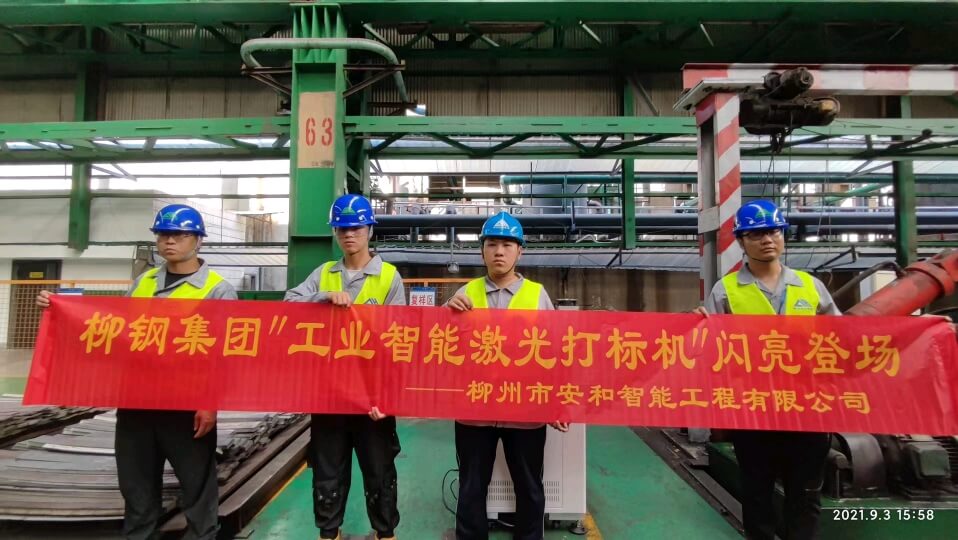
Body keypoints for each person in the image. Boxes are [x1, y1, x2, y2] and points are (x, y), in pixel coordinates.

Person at [37, 203, 236, 540]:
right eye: (163, 235)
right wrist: (58, 309)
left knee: (197, 489)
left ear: (198, 240)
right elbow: (117, 329)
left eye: (179, 235)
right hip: (136, 401)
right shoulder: (143, 282)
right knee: (137, 488)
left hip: (185, 405)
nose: (169, 241)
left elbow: (223, 355)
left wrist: (210, 402)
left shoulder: (218, 289)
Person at [696, 200, 840, 540]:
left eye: (774, 231)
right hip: (754, 410)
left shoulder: (810, 286)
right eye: (756, 234)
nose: (767, 240)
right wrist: (697, 328)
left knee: (805, 496)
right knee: (757, 494)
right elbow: (710, 351)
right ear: (741, 241)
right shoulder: (726, 291)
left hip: (807, 409)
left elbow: (844, 339)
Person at [285, 194, 404, 540]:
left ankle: (385, 534)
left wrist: (388, 397)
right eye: (342, 228)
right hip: (330, 396)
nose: (349, 234)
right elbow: (289, 304)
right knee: (327, 473)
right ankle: (329, 533)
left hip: (371, 400)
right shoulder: (324, 274)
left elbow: (399, 341)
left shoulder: (388, 277)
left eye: (356, 228)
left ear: (370, 230)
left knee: (380, 473)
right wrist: (321, 297)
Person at [446, 211, 569, 540]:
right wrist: (447, 315)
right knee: (471, 488)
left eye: (507, 244)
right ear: (482, 251)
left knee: (529, 488)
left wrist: (557, 403)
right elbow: (442, 347)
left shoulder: (538, 295)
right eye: (492, 244)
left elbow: (555, 353)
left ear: (520, 251)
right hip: (474, 413)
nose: (499, 251)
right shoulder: (464, 294)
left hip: (525, 413)